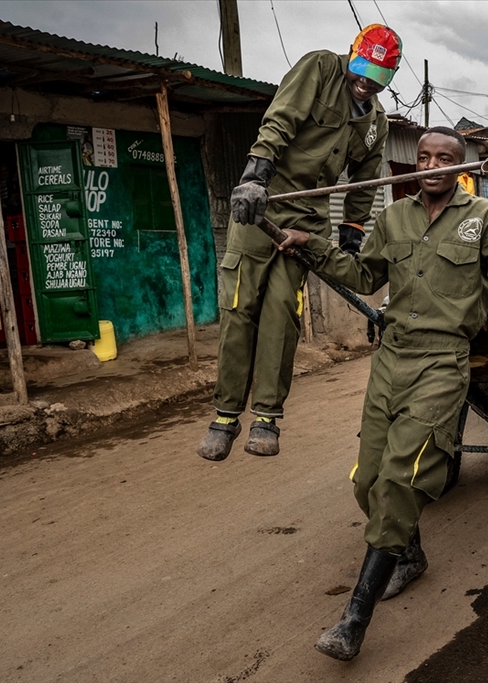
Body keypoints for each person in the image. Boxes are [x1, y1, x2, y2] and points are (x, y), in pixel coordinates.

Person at [277, 127, 488, 661]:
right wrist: (312, 245)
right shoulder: (393, 216)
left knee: (402, 479)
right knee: (368, 482)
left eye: (443, 158)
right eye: (423, 157)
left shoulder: (483, 218)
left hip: (443, 361)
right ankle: (409, 554)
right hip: (390, 358)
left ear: (460, 165)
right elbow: (363, 272)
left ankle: (355, 619)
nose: (431, 165)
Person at [197, 25, 402, 461]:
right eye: (362, 70)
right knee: (240, 308)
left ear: (389, 76)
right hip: (264, 205)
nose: (365, 82)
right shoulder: (321, 67)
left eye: (377, 76)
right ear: (352, 57)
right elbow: (282, 116)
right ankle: (225, 416)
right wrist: (256, 175)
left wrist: (352, 231)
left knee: (281, 316)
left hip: (307, 219)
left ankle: (267, 418)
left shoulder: (376, 124)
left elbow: (365, 181)